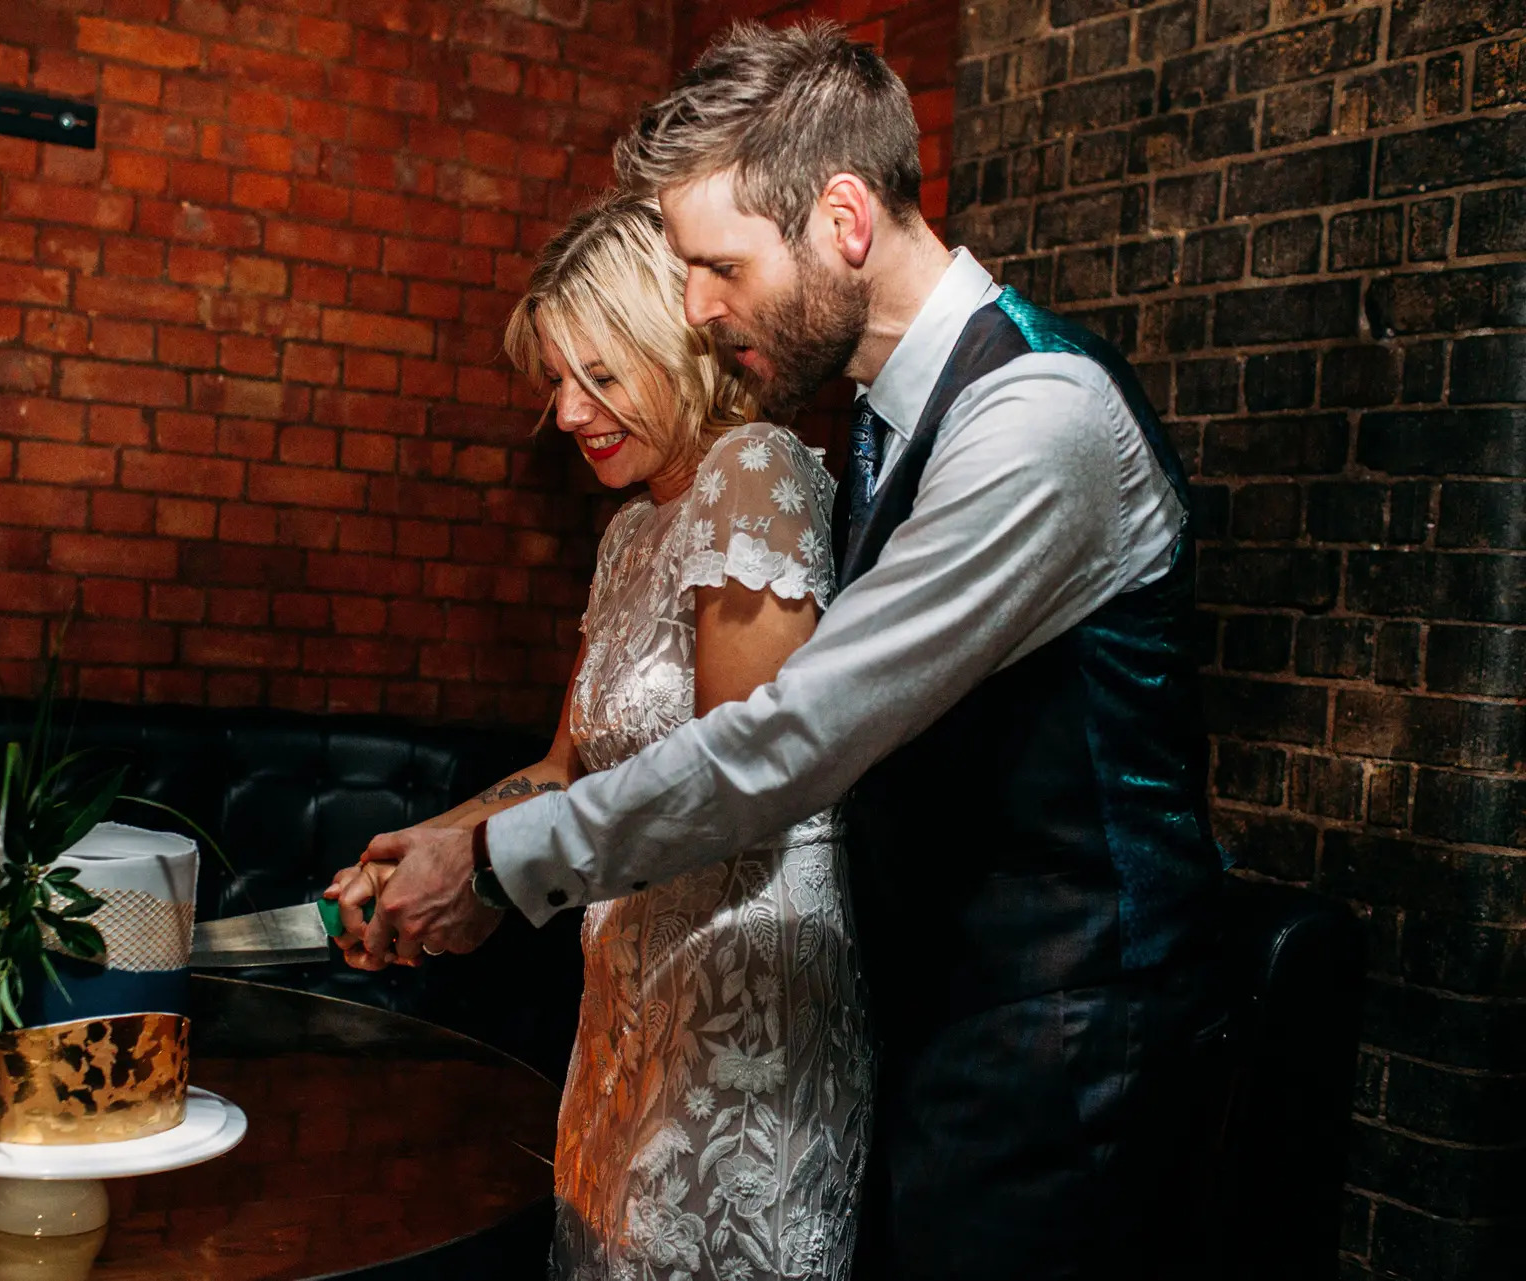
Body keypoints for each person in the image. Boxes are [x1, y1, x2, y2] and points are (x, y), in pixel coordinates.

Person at [345, 20, 1226, 1281]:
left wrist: (495, 865)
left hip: (1075, 1035)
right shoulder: (882, 422)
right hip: (958, 1013)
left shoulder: (1036, 418)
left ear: (844, 220)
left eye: (721, 266)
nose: (697, 309)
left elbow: (785, 743)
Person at [329, 192, 873, 1280]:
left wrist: (482, 877)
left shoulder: (755, 473)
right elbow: (562, 768)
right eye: (555, 383)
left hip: (737, 1016)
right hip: (626, 997)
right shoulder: (631, 532)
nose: (570, 415)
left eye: (601, 377)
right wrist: (428, 848)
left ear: (674, 345)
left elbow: (737, 787)